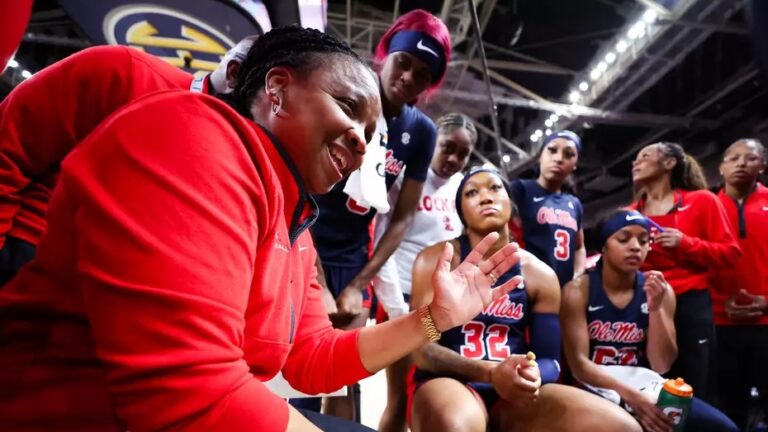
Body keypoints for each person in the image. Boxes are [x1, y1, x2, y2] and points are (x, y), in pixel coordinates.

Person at [0, 25, 524, 432]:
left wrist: (433, 318)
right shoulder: (193, 132)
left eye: (371, 132)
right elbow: (192, 397)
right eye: (347, 108)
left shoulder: (294, 224)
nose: (363, 143)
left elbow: (313, 359)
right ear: (276, 89)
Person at [0, 36, 257, 285]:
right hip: (30, 259)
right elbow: (9, 145)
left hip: (113, 302)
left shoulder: (242, 163)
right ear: (234, 74)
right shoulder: (124, 71)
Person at [408, 167, 640, 432]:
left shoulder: (540, 274)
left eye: (495, 188)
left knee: (622, 427)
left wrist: (530, 376)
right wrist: (490, 373)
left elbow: (550, 360)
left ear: (510, 202)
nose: (486, 197)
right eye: (472, 192)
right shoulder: (433, 261)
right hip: (451, 381)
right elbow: (423, 349)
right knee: (455, 425)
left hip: (512, 390)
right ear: (461, 211)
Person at [308, 9, 451, 420]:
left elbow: (402, 217)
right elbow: (300, 189)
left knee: (340, 380)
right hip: (305, 243)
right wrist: (316, 279)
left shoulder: (421, 132)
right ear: (385, 54)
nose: (408, 77)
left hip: (355, 258)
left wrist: (357, 284)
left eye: (422, 73)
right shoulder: (342, 97)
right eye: (403, 62)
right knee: (291, 369)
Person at [561, 209, 739, 432]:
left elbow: (662, 364)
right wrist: (632, 397)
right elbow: (579, 366)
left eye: (644, 240)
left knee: (723, 428)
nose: (636, 246)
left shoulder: (659, 290)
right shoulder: (578, 291)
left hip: (644, 383)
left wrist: (655, 310)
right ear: (603, 246)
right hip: (593, 385)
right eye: (624, 239)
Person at [375, 113, 476, 432]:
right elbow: (383, 238)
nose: (454, 159)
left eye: (463, 153)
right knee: (399, 401)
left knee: (435, 397)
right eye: (448, 147)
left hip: (444, 307)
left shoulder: (465, 188)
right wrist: (395, 305)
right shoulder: (407, 179)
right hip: (402, 298)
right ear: (434, 142)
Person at [630, 142, 740, 402]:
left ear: (669, 163)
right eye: (635, 159)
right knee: (652, 387)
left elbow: (731, 253)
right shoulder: (630, 213)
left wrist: (686, 243)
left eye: (645, 156)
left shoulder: (702, 201)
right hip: (646, 305)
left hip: (691, 304)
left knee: (695, 388)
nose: (636, 163)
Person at [711, 139, 768, 429]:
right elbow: (697, 266)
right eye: (733, 158)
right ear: (721, 168)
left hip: (766, 323)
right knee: (729, 410)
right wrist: (720, 303)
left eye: (750, 158)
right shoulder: (706, 207)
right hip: (720, 325)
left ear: (763, 165)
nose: (741, 163)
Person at [509, 130, 586, 289]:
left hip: (562, 290)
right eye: (552, 150)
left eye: (568, 154)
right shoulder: (520, 189)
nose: (558, 159)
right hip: (526, 287)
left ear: (575, 164)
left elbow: (579, 247)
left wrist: (577, 277)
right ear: (540, 156)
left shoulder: (575, 204)